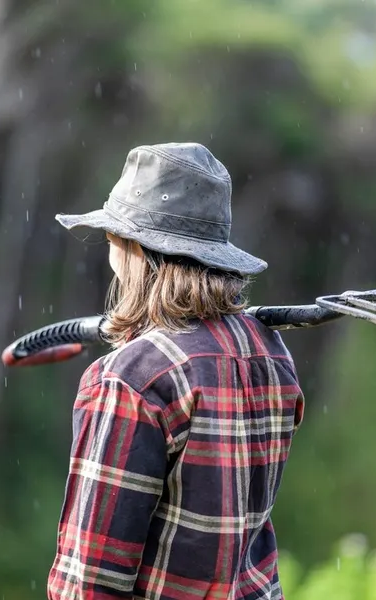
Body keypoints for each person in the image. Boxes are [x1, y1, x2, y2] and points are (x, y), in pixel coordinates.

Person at [47, 142, 305, 600]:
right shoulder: (271, 354)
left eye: (111, 240)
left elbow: (88, 581)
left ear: (133, 250)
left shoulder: (129, 380)